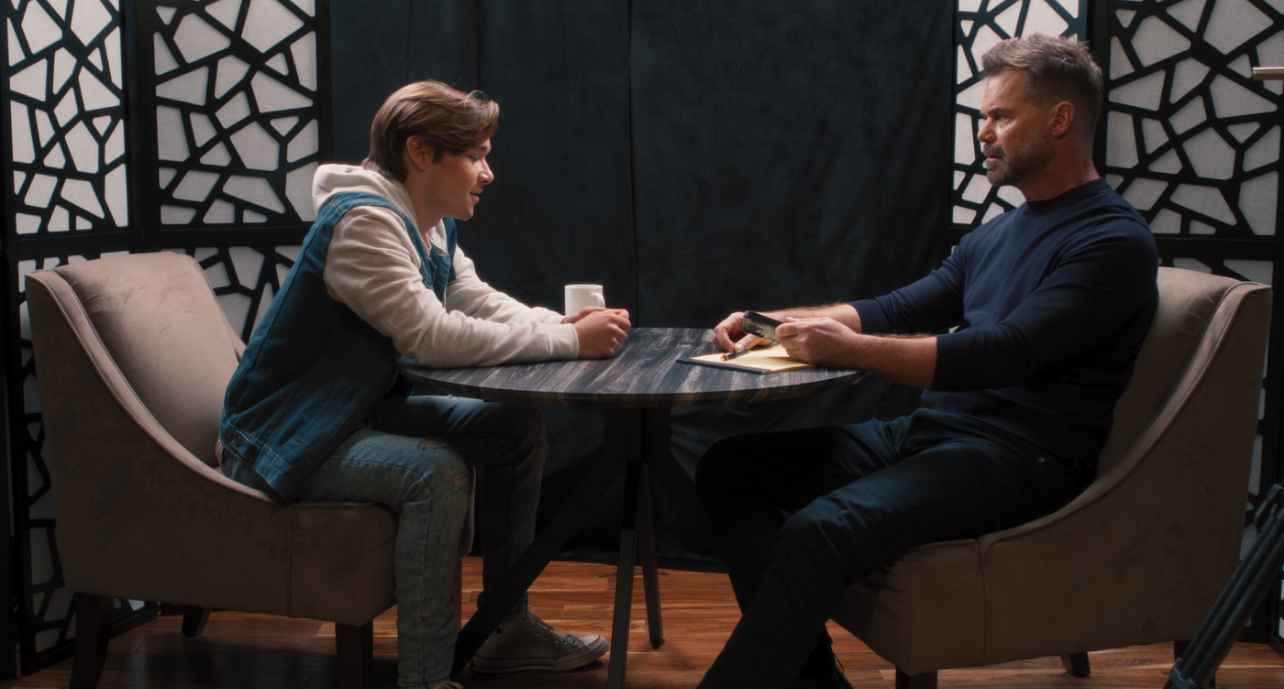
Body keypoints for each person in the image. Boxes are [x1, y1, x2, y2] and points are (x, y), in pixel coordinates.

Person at [696, 35, 1158, 689]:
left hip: (1021, 458)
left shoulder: (1114, 241)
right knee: (727, 469)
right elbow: (897, 307)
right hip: (934, 435)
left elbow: (1006, 353)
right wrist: (772, 324)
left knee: (819, 529)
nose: (984, 132)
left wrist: (846, 348)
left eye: (1001, 116)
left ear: (1060, 119)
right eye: (982, 117)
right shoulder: (1000, 230)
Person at [217, 81, 630, 689]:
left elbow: (476, 300)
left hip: (350, 415)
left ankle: (504, 628)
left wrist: (560, 323)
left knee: (514, 428)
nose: (487, 173)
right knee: (433, 472)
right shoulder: (363, 225)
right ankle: (425, 678)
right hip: (281, 436)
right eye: (475, 156)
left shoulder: (427, 222)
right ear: (420, 152)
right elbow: (430, 338)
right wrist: (570, 342)